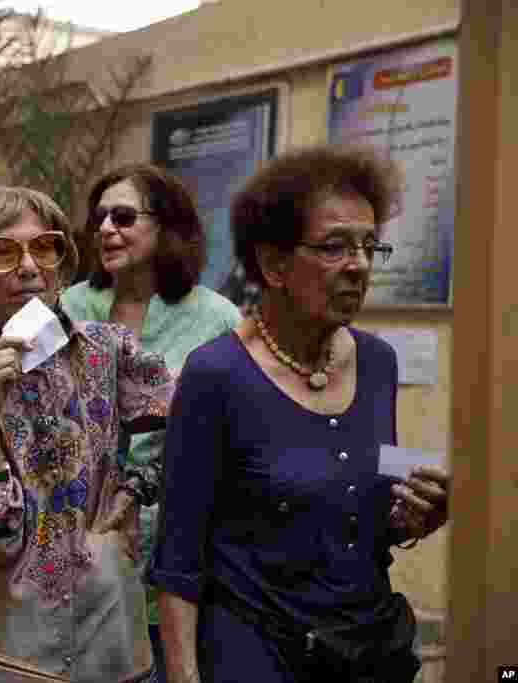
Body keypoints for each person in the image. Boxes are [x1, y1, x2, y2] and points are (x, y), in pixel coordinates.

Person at [147, 144, 450, 683]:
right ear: (273, 264)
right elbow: (178, 560)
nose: (358, 265)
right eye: (334, 246)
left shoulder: (378, 362)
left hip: (364, 650)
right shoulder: (215, 374)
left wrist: (418, 517)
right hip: (256, 654)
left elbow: (368, 511)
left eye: (368, 246)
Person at [0, 186, 176, 683]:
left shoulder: (108, 352)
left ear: (63, 264)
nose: (27, 266)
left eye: (45, 247)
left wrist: (134, 489)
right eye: (2, 251)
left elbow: (198, 421)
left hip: (111, 639)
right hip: (10, 648)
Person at [60, 164, 241, 680]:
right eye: (99, 218)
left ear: (167, 227)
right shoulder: (69, 307)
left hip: (178, 552)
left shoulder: (218, 319)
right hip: (77, 548)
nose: (106, 230)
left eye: (123, 216)